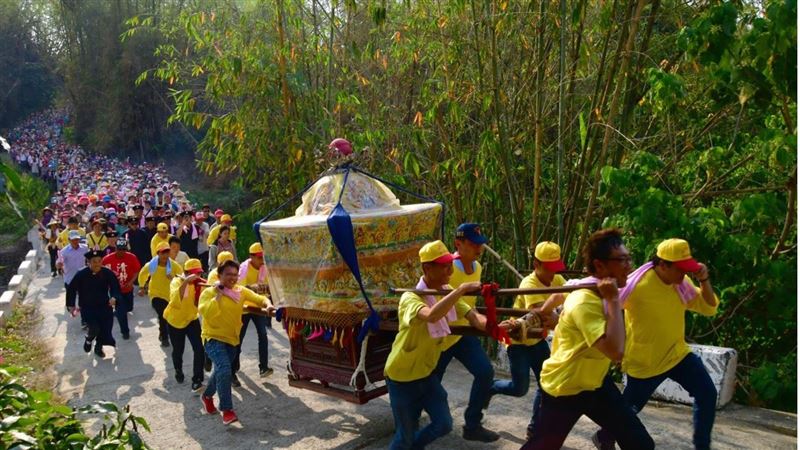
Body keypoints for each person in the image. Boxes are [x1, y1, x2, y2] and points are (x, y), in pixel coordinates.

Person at [521, 228, 653, 450]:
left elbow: (559, 292)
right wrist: (612, 301)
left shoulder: (591, 287)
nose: (628, 266)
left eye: (628, 259)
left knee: (640, 443)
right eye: (621, 260)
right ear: (600, 266)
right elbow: (615, 351)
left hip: (595, 382)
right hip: (566, 386)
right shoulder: (585, 301)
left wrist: (549, 312)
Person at [593, 238, 719, 450]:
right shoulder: (637, 286)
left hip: (677, 355)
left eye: (687, 269)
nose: (684, 274)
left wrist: (704, 279)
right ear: (663, 265)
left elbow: (709, 307)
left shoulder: (682, 284)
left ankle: (702, 446)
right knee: (626, 413)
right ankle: (605, 435)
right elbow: (604, 307)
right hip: (645, 363)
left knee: (707, 393)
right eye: (680, 269)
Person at [385, 240, 497, 450]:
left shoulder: (447, 292)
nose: (450, 270)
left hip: (426, 375)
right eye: (445, 266)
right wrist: (461, 289)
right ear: (427, 268)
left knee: (444, 424)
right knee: (403, 437)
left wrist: (500, 327)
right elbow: (432, 316)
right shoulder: (410, 298)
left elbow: (474, 317)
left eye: (450, 265)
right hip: (401, 378)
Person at [487, 241, 567, 439]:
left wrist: (561, 309)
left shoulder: (557, 279)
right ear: (536, 265)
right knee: (519, 389)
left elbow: (569, 301)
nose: (552, 274)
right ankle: (492, 387)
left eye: (555, 268)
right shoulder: (528, 284)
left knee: (546, 385)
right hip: (519, 343)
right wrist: (560, 309)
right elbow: (544, 314)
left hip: (538, 341)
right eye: (549, 268)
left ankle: (534, 427)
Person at [432, 223, 499, 442]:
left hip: (463, 333)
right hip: (441, 335)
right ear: (458, 244)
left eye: (480, 243)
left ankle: (472, 424)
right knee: (430, 382)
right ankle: (410, 422)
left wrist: (486, 321)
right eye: (473, 244)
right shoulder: (446, 269)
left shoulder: (477, 268)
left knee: (485, 372)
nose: (478, 248)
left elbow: (469, 304)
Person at [199, 259, 275, 425]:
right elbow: (208, 313)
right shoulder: (208, 293)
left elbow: (259, 298)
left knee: (220, 370)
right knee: (225, 368)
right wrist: (218, 295)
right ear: (219, 275)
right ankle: (227, 410)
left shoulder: (240, 291)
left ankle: (206, 396)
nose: (232, 278)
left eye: (235, 275)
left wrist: (268, 305)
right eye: (228, 275)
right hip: (212, 337)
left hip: (232, 339)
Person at [231, 243, 273, 386]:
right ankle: (232, 371)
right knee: (238, 339)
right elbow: (236, 288)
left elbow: (268, 288)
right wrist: (252, 288)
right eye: (259, 257)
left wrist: (261, 290)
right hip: (243, 307)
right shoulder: (243, 269)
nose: (262, 260)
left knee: (263, 335)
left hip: (257, 306)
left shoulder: (264, 268)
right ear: (251, 257)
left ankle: (263, 367)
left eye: (263, 257)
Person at [66, 250, 121, 358]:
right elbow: (71, 289)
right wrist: (71, 305)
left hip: (104, 306)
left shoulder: (107, 273)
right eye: (94, 261)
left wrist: (114, 297)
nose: (97, 264)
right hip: (88, 308)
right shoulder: (81, 274)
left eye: (99, 261)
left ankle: (98, 347)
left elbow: (115, 287)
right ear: (88, 262)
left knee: (105, 329)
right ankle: (89, 339)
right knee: (95, 328)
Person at [165, 258, 206, 392]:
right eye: (193, 273)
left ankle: (197, 380)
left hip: (191, 319)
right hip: (175, 321)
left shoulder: (199, 283)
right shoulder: (177, 281)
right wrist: (186, 282)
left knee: (199, 348)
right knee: (178, 350)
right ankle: (178, 369)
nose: (196, 276)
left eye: (199, 273)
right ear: (186, 272)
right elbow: (176, 299)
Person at [138, 241, 185, 347]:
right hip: (156, 294)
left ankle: (162, 332)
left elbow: (182, 278)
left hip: (170, 295)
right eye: (162, 252)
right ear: (157, 253)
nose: (165, 255)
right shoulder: (151, 265)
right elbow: (142, 274)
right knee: (162, 315)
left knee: (168, 317)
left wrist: (173, 278)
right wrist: (141, 287)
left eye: (167, 252)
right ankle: (164, 337)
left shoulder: (174, 265)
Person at [102, 238, 141, 340]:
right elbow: (102, 273)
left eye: (123, 249)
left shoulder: (132, 257)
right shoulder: (107, 259)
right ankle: (125, 331)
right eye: (119, 249)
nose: (121, 251)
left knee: (129, 308)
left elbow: (137, 270)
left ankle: (120, 311)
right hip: (116, 290)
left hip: (128, 289)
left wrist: (131, 282)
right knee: (121, 311)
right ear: (115, 248)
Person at [57, 230, 89, 328]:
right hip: (70, 279)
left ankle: (85, 321)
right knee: (71, 300)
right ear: (69, 240)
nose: (75, 241)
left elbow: (89, 259)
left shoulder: (85, 249)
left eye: (77, 239)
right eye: (73, 240)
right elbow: (59, 262)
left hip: (83, 279)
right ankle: (71, 306)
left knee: (83, 300)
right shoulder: (64, 251)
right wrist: (59, 265)